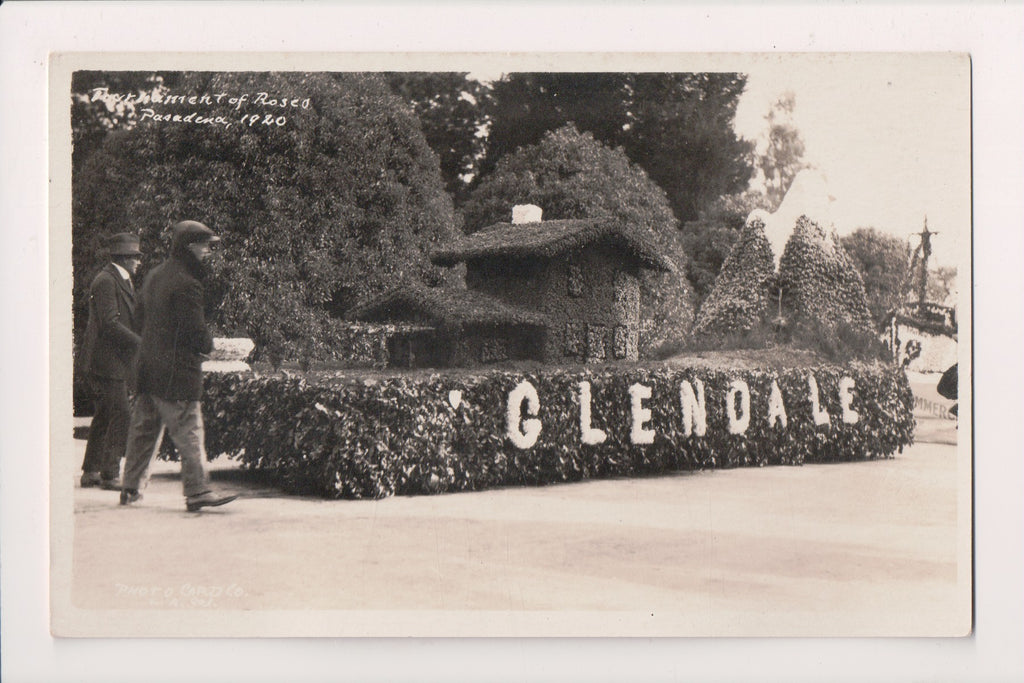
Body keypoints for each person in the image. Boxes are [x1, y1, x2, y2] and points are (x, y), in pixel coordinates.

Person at [120, 220, 237, 512]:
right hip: (177, 374)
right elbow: (194, 331)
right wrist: (209, 347)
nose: (208, 251)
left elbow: (137, 319)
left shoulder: (154, 276)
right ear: (190, 247)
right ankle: (197, 491)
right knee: (189, 431)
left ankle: (130, 489)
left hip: (148, 370)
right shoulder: (188, 283)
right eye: (205, 245)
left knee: (143, 432)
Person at [79, 233, 143, 489]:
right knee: (121, 414)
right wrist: (140, 342)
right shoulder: (107, 281)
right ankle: (109, 474)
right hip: (105, 361)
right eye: (135, 257)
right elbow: (109, 323)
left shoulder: (119, 279)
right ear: (124, 258)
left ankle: (90, 471)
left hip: (109, 360)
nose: (139, 262)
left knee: (105, 413)